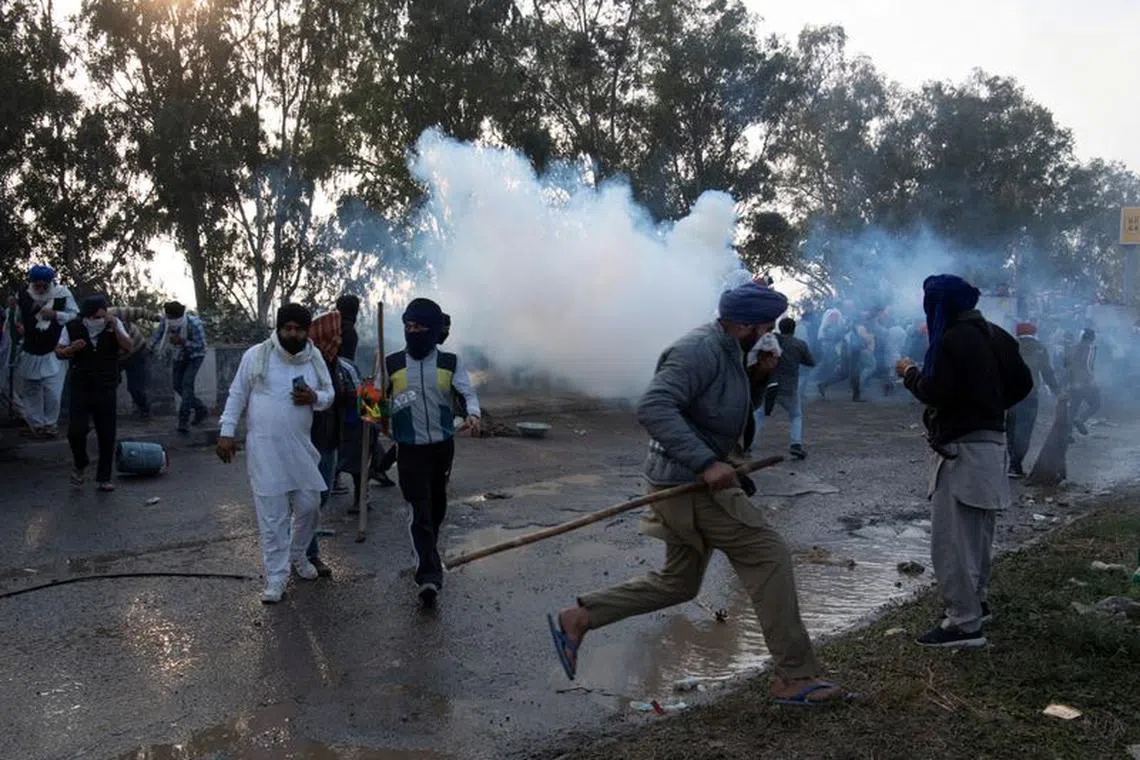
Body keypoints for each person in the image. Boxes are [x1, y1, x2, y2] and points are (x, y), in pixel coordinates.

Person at [548, 282, 847, 704]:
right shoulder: (700, 351)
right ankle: (795, 677)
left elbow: (727, 407)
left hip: (686, 482)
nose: (772, 332)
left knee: (679, 582)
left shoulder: (731, 352)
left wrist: (758, 377)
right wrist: (707, 463)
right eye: (768, 325)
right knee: (768, 554)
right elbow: (653, 407)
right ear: (745, 324)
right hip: (687, 485)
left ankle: (579, 617)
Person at [897, 275, 1031, 649]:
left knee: (952, 541)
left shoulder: (952, 339)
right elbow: (1023, 384)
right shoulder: (997, 334)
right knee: (978, 534)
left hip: (960, 451)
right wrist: (989, 405)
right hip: (991, 444)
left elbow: (934, 392)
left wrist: (910, 374)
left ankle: (964, 624)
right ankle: (978, 604)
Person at [216, 304, 334, 603]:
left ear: (307, 331)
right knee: (273, 518)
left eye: (298, 329)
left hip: (300, 449)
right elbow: (237, 394)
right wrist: (227, 432)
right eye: (287, 328)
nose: (292, 334)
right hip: (265, 450)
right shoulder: (256, 355)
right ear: (279, 328)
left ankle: (297, 556)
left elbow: (329, 394)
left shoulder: (314, 357)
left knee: (311, 505)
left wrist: (314, 397)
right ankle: (276, 578)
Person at [387, 298, 481, 608]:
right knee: (420, 510)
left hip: (442, 446)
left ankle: (427, 551)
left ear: (432, 330)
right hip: (409, 449)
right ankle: (428, 575)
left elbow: (467, 393)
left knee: (437, 506)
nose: (412, 332)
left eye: (419, 327)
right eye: (408, 327)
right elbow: (374, 399)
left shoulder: (450, 362)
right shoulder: (391, 363)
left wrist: (474, 415)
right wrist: (373, 413)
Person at [56, 295, 132, 490]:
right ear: (86, 316)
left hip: (106, 385)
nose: (99, 320)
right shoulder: (73, 327)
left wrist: (115, 327)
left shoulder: (113, 325)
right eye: (95, 317)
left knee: (107, 433)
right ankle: (80, 463)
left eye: (102, 316)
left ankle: (104, 477)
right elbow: (59, 351)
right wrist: (71, 349)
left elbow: (128, 346)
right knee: (76, 431)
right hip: (81, 385)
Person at [305, 309, 358, 578]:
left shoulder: (335, 363)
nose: (338, 339)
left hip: (330, 437)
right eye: (333, 334)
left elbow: (341, 395)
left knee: (320, 497)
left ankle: (303, 546)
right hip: (311, 439)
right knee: (312, 499)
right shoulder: (308, 363)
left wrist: (364, 396)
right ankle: (308, 553)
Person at [14, 265, 78, 437]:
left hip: (54, 347)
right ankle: (37, 425)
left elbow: (75, 315)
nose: (40, 288)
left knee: (53, 391)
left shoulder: (62, 294)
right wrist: (19, 325)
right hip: (31, 347)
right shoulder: (24, 295)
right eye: (37, 285)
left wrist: (56, 315)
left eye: (44, 285)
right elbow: (17, 315)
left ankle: (50, 425)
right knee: (31, 388)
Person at [754, 317, 815, 460]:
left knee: (759, 414)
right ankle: (796, 445)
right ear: (794, 330)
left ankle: (748, 444)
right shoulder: (799, 344)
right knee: (796, 416)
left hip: (769, 385)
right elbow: (810, 362)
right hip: (789, 387)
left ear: (779, 328)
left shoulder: (771, 341)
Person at [1006, 322, 1059, 478]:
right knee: (1025, 431)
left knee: (1011, 429)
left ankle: (1012, 463)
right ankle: (1015, 465)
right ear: (1034, 333)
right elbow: (1048, 373)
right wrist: (1057, 392)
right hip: (1030, 395)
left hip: (1010, 397)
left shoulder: (1009, 345)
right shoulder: (1040, 348)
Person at [150, 301, 209, 433]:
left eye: (172, 318)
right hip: (179, 355)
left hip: (195, 355)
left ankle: (183, 420)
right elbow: (158, 334)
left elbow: (200, 345)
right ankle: (200, 408)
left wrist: (183, 342)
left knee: (187, 384)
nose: (170, 321)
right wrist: (151, 347)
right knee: (177, 385)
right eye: (168, 317)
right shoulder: (166, 321)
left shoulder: (194, 324)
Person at [108, 306, 161, 419]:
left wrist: (158, 318)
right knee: (108, 385)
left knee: (135, 387)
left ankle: (144, 409)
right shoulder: (90, 327)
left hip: (137, 352)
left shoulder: (117, 313)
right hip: (115, 359)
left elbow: (140, 311)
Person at [1067, 328, 1100, 436]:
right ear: (1092, 338)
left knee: (1074, 407)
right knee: (1096, 404)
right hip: (1085, 381)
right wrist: (1092, 378)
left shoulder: (1073, 347)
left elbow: (1065, 363)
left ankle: (1067, 433)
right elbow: (1088, 364)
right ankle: (1081, 419)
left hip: (1073, 380)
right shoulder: (1090, 347)